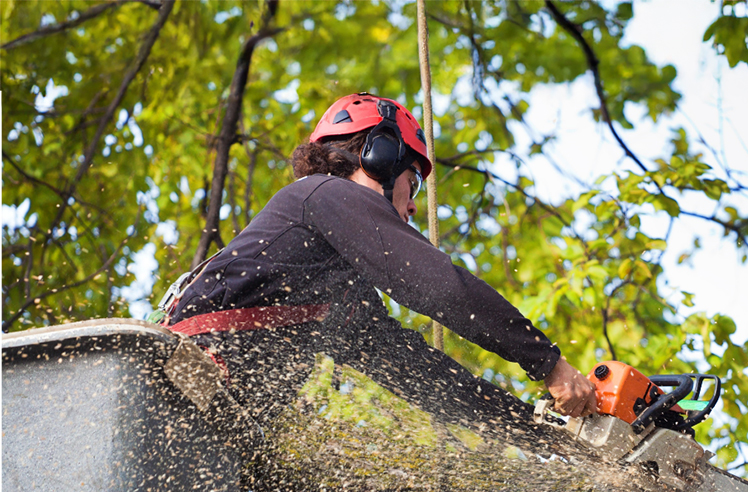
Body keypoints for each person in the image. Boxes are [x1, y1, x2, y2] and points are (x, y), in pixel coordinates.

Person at [163, 92, 597, 421]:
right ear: (380, 156)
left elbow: (420, 375)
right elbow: (440, 287)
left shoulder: (339, 289)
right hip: (176, 384)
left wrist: (535, 428)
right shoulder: (324, 194)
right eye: (414, 181)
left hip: (205, 417)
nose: (412, 206)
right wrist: (548, 363)